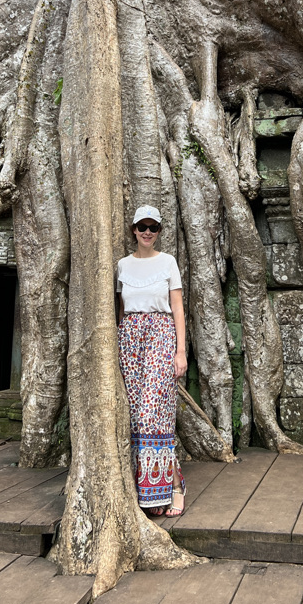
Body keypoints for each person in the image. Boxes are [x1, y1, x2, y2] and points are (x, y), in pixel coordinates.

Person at [117, 205, 188, 517]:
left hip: (161, 334)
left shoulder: (168, 262)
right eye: (142, 227)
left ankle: (173, 486)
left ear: (159, 231)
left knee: (152, 413)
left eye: (153, 227)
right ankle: (146, 493)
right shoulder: (122, 266)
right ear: (134, 230)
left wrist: (181, 351)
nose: (147, 232)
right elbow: (120, 310)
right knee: (135, 416)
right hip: (129, 339)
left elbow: (178, 308)